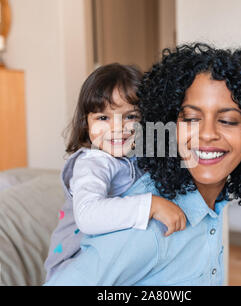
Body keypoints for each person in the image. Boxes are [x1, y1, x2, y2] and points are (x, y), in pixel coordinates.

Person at [44, 43, 241, 286]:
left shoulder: (211, 198)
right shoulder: (150, 226)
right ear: (167, 123)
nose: (207, 134)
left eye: (228, 120)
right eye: (190, 118)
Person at [44, 63, 187, 282]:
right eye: (103, 118)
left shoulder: (139, 153)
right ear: (86, 124)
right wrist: (152, 205)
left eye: (130, 116)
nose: (117, 127)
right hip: (76, 266)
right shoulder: (93, 162)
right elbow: (88, 215)